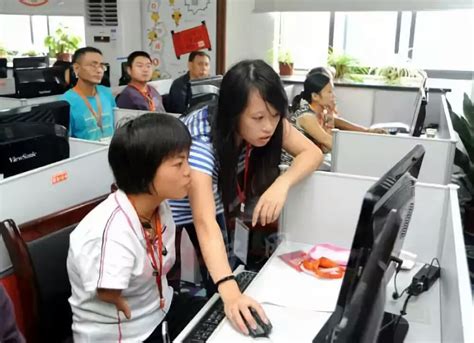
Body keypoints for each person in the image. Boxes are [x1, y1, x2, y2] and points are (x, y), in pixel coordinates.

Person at [169, 59, 322, 335]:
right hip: (183, 229)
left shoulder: (268, 119)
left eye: (275, 116)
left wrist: (282, 184)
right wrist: (230, 290)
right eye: (258, 118)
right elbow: (204, 223)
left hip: (221, 214)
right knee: (201, 305)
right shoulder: (201, 143)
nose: (269, 127)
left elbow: (312, 153)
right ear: (233, 113)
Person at [67, 113, 203, 342]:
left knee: (222, 316)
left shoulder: (160, 206)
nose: (189, 171)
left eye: (187, 160)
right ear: (143, 171)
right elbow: (107, 290)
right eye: (179, 163)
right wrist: (114, 296)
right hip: (127, 333)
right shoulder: (109, 232)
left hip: (161, 310)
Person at [289, 70, 385, 154]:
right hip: (293, 166)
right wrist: (364, 149)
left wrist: (330, 114)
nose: (333, 96)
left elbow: (326, 149)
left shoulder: (321, 114)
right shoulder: (307, 117)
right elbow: (330, 144)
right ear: (315, 96)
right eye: (329, 92)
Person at [62, 47, 116, 141]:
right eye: (93, 65)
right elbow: (67, 141)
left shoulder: (106, 93)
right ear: (76, 68)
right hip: (87, 153)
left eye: (101, 66)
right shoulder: (67, 101)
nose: (99, 70)